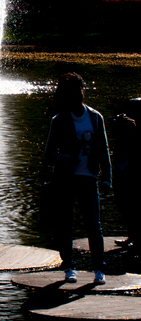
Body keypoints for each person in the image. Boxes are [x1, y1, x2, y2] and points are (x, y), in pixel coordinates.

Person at [45, 72, 111, 284]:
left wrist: (107, 178)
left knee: (94, 225)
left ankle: (99, 268)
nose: (76, 95)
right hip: (66, 178)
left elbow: (103, 149)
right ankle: (69, 266)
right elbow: (48, 154)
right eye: (70, 92)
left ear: (82, 91)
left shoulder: (95, 117)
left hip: (89, 177)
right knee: (66, 224)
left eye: (78, 90)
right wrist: (67, 158)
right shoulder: (59, 120)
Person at [112, 112, 141, 253]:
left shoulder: (133, 133)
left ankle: (136, 238)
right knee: (125, 206)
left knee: (132, 207)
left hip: (129, 173)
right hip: (122, 172)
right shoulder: (123, 135)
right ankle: (132, 236)